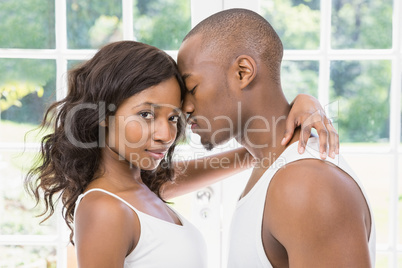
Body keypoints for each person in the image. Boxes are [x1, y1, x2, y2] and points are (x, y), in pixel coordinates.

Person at [25, 41, 337, 267]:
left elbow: (256, 152)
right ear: (103, 115)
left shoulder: (146, 188)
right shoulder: (105, 208)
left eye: (173, 118)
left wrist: (301, 106)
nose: (165, 134)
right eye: (146, 115)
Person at [176, 8, 375, 268]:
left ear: (243, 72)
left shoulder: (306, 185)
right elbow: (150, 183)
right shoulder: (272, 166)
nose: (184, 108)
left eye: (192, 88)